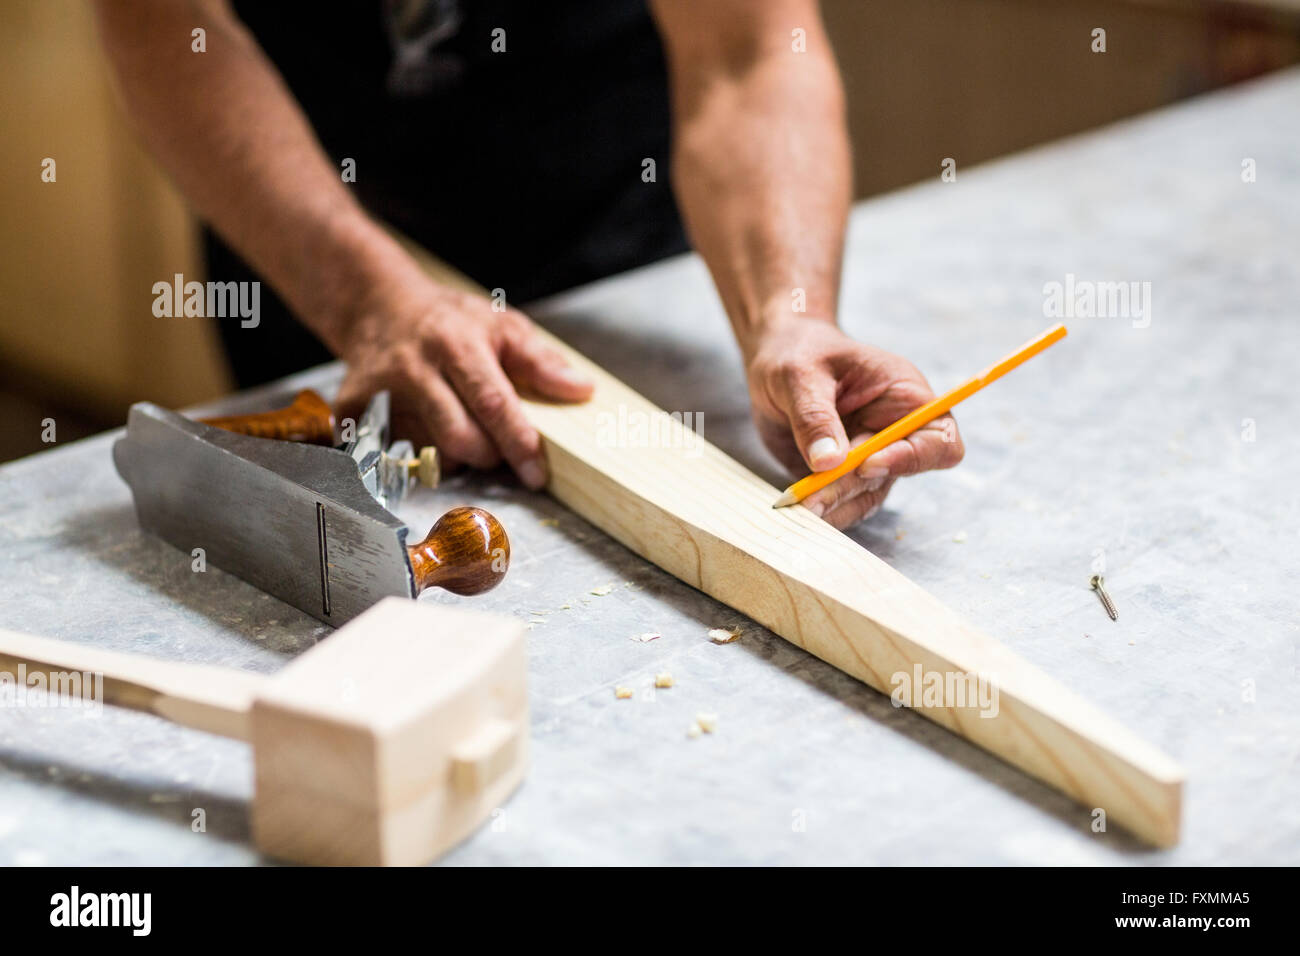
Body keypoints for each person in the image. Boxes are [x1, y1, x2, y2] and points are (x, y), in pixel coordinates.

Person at [94, 0, 963, 529]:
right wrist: (365, 301)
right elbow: (168, 23)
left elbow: (750, 51)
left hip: (603, 203)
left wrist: (790, 310)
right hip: (310, 206)